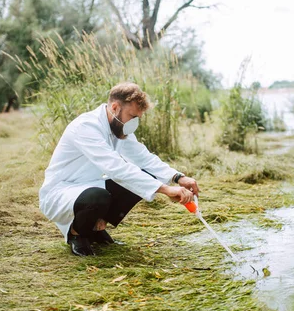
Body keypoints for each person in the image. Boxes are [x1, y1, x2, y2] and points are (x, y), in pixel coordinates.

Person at [39, 82, 199, 256]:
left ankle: (96, 228)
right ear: (115, 107)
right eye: (132, 116)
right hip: (63, 189)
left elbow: (143, 157)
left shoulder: (119, 128)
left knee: (145, 176)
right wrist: (166, 190)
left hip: (91, 184)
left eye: (137, 118)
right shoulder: (86, 126)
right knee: (98, 196)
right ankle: (77, 234)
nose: (134, 123)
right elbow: (116, 167)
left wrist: (178, 177)